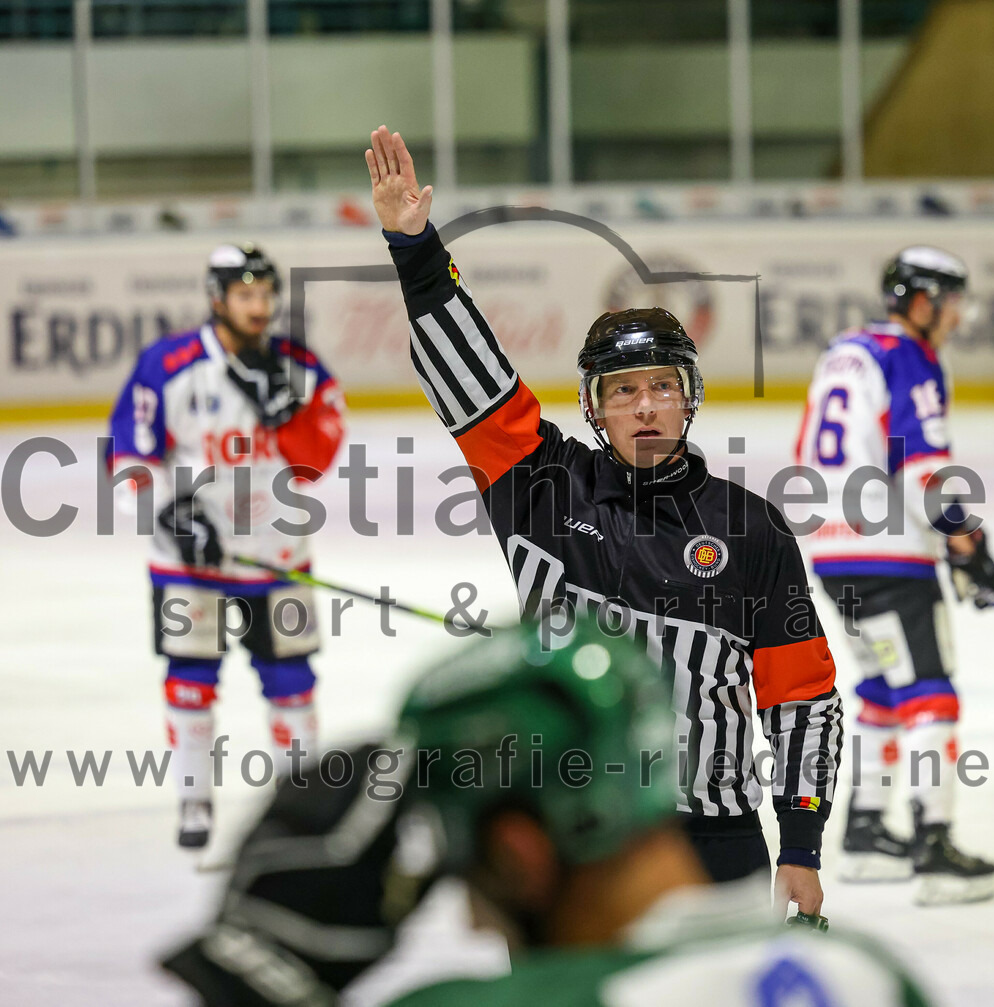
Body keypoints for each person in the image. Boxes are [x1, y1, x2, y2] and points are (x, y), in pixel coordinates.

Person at [363, 126, 843, 914]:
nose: (646, 404)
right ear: (594, 407)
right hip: (568, 837)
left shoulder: (753, 528)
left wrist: (800, 844)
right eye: (623, 390)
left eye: (662, 385)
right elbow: (472, 381)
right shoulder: (543, 488)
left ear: (689, 395)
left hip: (712, 839)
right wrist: (415, 249)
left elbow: (802, 697)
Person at [160, 619, 931, 1007]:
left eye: (469, 874)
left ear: (518, 855)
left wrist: (257, 974)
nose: (473, 923)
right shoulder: (872, 973)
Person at [107, 243, 345, 848]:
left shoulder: (300, 366)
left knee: (292, 678)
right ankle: (193, 800)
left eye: (266, 295)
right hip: (188, 565)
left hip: (276, 554)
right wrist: (172, 514)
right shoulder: (170, 363)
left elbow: (317, 462)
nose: (259, 307)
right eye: (246, 295)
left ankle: (300, 808)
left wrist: (285, 414)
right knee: (189, 677)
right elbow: (130, 454)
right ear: (218, 299)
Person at [796, 245, 994, 904]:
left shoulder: (844, 351)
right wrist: (967, 542)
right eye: (951, 302)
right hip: (890, 553)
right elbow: (919, 468)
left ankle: (863, 834)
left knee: (884, 686)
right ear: (922, 301)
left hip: (831, 553)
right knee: (931, 690)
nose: (956, 318)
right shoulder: (909, 354)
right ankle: (933, 845)